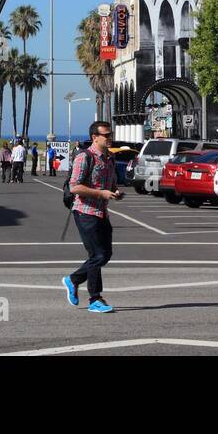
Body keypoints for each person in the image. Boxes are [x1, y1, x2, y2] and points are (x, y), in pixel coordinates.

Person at [62, 121, 121, 313]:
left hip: (102, 211)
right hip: (85, 211)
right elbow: (75, 186)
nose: (110, 137)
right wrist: (101, 194)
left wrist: (114, 191)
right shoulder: (84, 157)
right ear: (95, 137)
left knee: (105, 254)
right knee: (98, 255)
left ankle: (73, 280)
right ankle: (95, 299)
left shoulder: (110, 158)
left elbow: (110, 185)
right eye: (106, 135)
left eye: (110, 134)